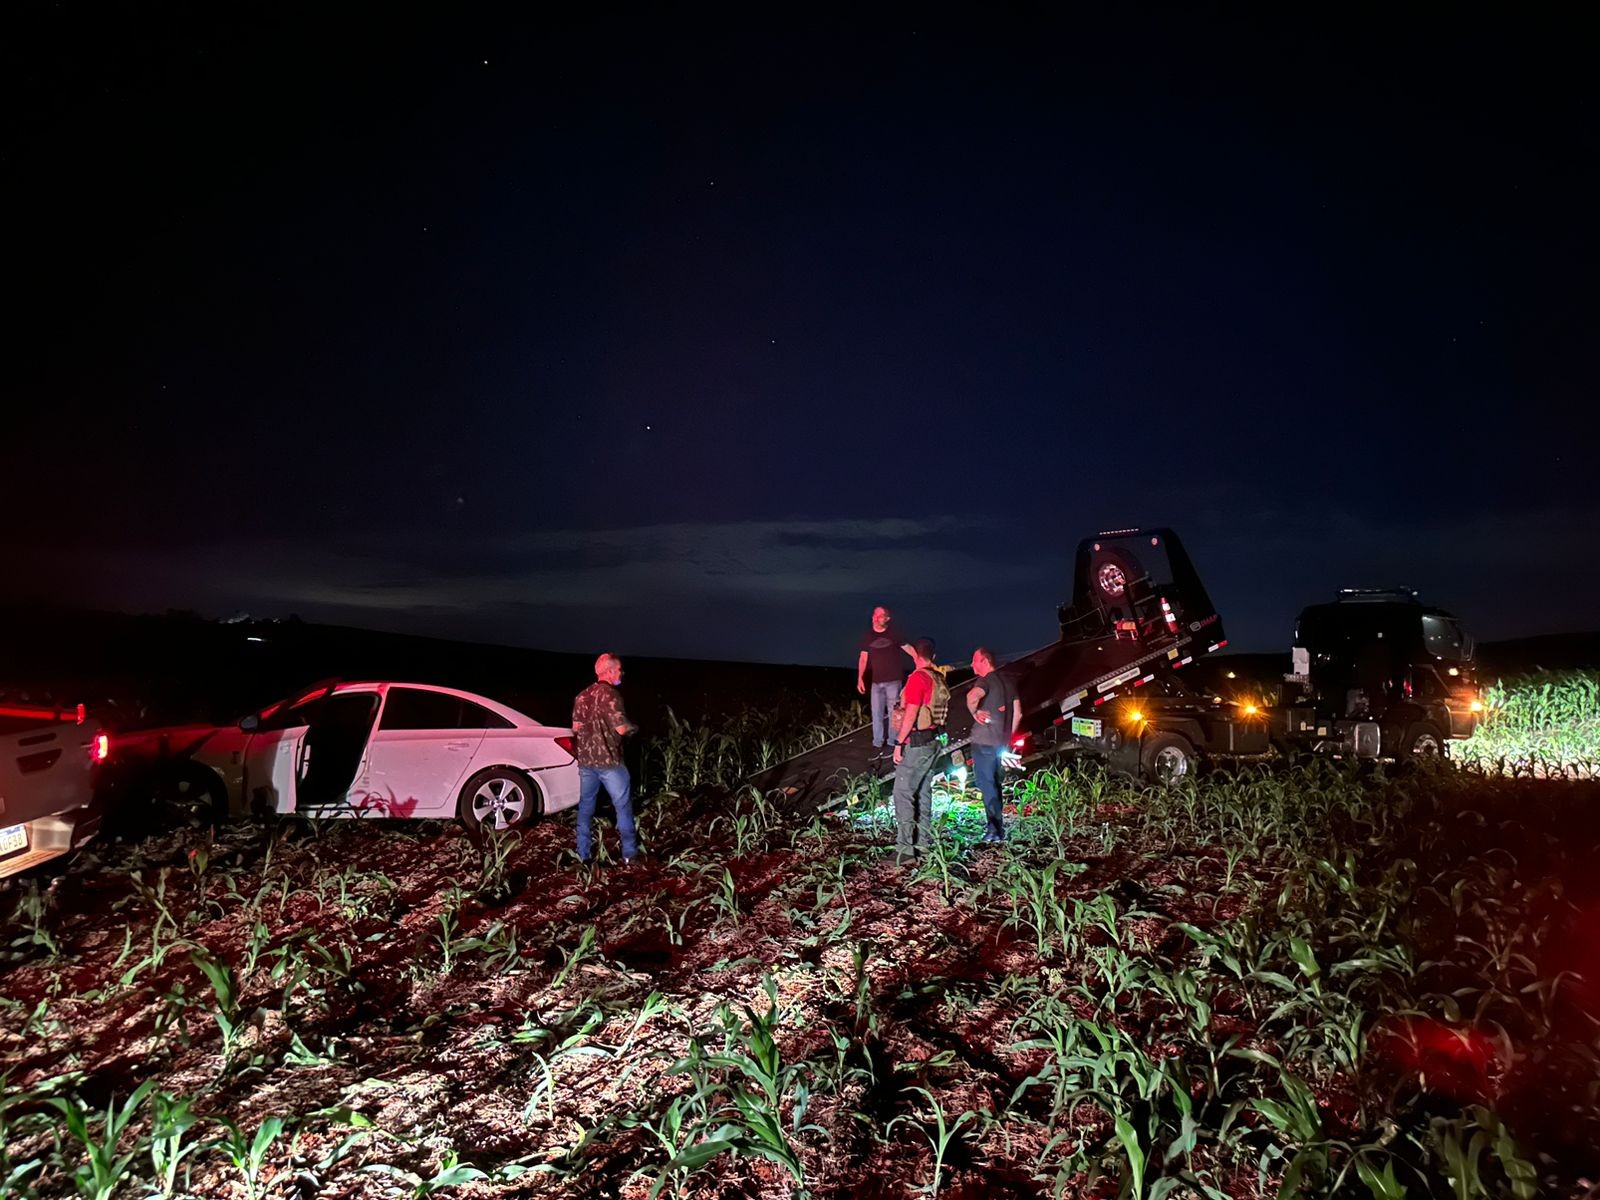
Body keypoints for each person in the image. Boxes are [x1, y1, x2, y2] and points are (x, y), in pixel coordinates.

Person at [570, 653, 641, 864]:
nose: (621, 673)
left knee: (585, 808)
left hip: (586, 763)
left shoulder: (581, 696)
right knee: (622, 806)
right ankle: (629, 855)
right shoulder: (611, 695)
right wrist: (635, 728)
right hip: (610, 763)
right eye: (619, 670)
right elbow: (621, 728)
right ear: (609, 672)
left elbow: (576, 728)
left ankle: (583, 855)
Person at [891, 638, 949, 865]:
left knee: (903, 792)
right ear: (933, 656)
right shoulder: (938, 678)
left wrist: (898, 743)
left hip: (918, 743)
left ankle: (905, 850)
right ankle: (923, 845)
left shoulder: (918, 678)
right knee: (923, 792)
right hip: (935, 740)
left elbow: (911, 713)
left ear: (916, 654)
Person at [966, 647, 1020, 844]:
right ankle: (998, 828)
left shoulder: (985, 681)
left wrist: (975, 713)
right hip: (999, 744)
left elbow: (972, 697)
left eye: (975, 660)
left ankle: (994, 831)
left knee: (987, 785)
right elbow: (1018, 714)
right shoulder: (1008, 682)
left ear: (985, 661)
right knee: (995, 784)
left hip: (983, 743)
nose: (971, 664)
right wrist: (1007, 738)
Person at [857, 605, 913, 757]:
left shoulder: (894, 634)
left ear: (887, 619)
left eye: (880, 616)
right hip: (876, 682)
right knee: (876, 713)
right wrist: (860, 678)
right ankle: (877, 743)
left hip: (893, 681)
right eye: (875, 615)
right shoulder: (868, 636)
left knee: (893, 713)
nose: (876, 618)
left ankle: (892, 742)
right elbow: (863, 658)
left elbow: (908, 648)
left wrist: (920, 661)